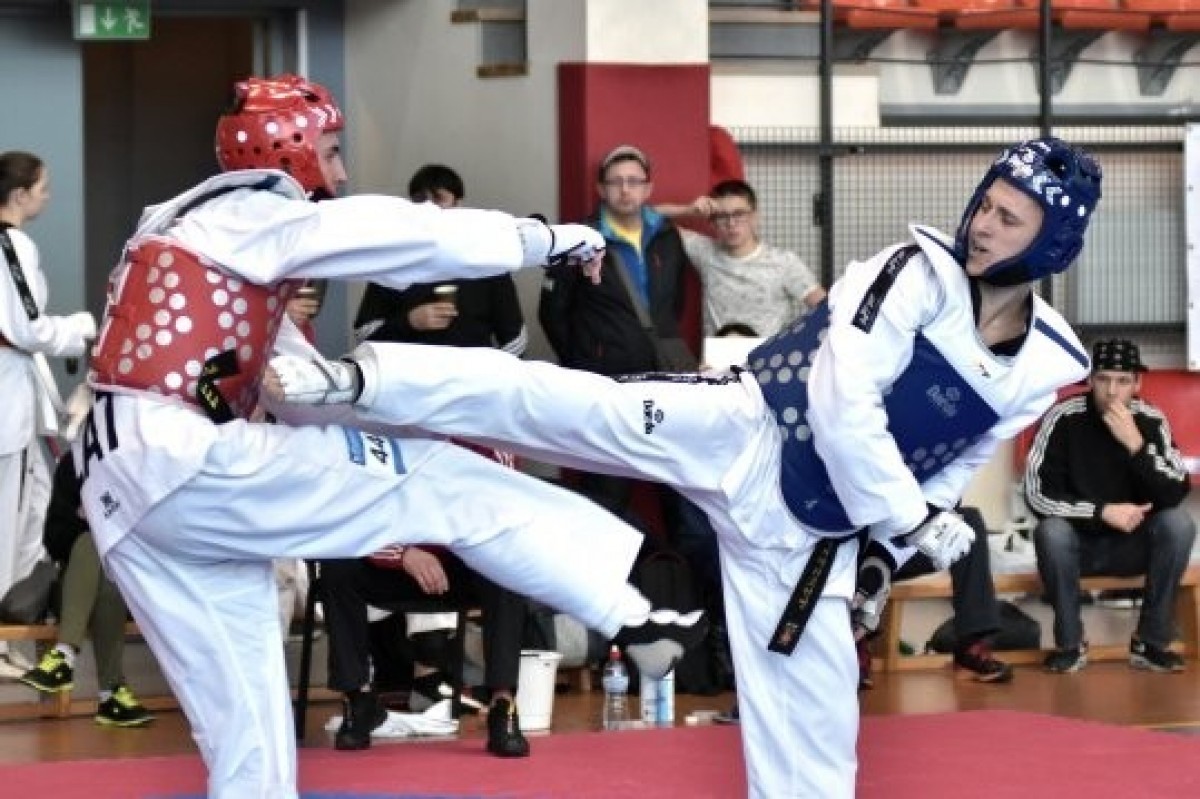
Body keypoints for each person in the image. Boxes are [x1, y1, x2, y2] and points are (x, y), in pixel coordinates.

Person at [268, 136, 1104, 797]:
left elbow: (964, 451)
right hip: (745, 426)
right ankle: (360, 380)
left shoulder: (1047, 360)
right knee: (565, 405)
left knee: (816, 722)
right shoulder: (912, 271)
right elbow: (844, 400)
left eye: (1010, 219)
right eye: (986, 203)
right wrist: (907, 516)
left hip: (812, 535)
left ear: (1052, 243)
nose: (984, 225)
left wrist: (897, 546)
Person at [72, 74, 704, 799]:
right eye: (331, 152)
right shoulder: (251, 212)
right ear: (288, 151)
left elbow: (303, 403)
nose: (341, 172)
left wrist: (387, 417)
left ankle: (633, 616)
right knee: (445, 480)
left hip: (131, 498)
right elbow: (408, 235)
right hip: (187, 460)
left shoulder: (189, 241)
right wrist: (546, 240)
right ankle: (632, 615)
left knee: (248, 728)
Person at [538, 144, 695, 534]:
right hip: (605, 385)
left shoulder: (667, 236)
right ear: (601, 188)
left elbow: (673, 304)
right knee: (606, 491)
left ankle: (682, 571)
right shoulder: (577, 240)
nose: (625, 190)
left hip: (663, 382)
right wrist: (587, 359)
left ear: (648, 188)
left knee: (679, 489)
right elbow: (552, 313)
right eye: (616, 182)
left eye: (634, 181)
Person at [1025, 338, 1195, 673]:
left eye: (1122, 381)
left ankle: (1150, 643)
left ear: (1138, 383)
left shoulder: (1150, 419)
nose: (1112, 391)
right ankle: (1070, 645)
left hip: (1134, 547)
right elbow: (1037, 493)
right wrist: (1101, 511)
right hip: (1077, 547)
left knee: (1179, 524)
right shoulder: (1063, 417)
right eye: (1103, 379)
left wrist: (1136, 445)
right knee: (1051, 532)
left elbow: (1176, 490)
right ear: (1090, 380)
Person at [0, 151, 97, 678]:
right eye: (43, 187)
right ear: (19, 195)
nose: (48, 196)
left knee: (33, 511)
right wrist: (79, 328)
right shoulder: (12, 244)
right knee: (11, 521)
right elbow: (28, 329)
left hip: (14, 395)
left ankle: (15, 637)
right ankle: (3, 642)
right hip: (6, 403)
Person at [319, 540, 531, 757]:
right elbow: (353, 530)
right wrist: (402, 555)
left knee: (506, 564)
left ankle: (502, 704)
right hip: (387, 567)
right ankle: (357, 700)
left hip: (459, 565)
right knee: (336, 563)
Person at [18, 455, 153, 727]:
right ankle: (111, 695)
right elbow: (53, 539)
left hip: (123, 581)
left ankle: (64, 655)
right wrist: (90, 527)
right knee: (92, 543)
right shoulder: (73, 465)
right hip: (71, 588)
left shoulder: (134, 465)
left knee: (108, 567)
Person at [354, 164, 528, 357]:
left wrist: (487, 371)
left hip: (473, 373)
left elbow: (515, 340)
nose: (428, 208)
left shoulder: (487, 261)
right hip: (407, 372)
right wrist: (409, 322)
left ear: (458, 204)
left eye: (438, 198)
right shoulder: (395, 260)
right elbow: (363, 334)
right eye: (420, 200)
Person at [858, 505, 1015, 689]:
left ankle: (971, 647)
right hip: (859, 544)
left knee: (968, 519)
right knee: (852, 538)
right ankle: (853, 641)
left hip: (903, 541)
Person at [658, 179, 826, 337]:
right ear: (712, 222)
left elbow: (828, 310)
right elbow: (647, 216)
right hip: (719, 356)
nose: (731, 223)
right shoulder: (705, 252)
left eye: (739, 214)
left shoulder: (783, 263)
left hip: (766, 356)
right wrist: (688, 210)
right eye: (722, 216)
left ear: (754, 217)